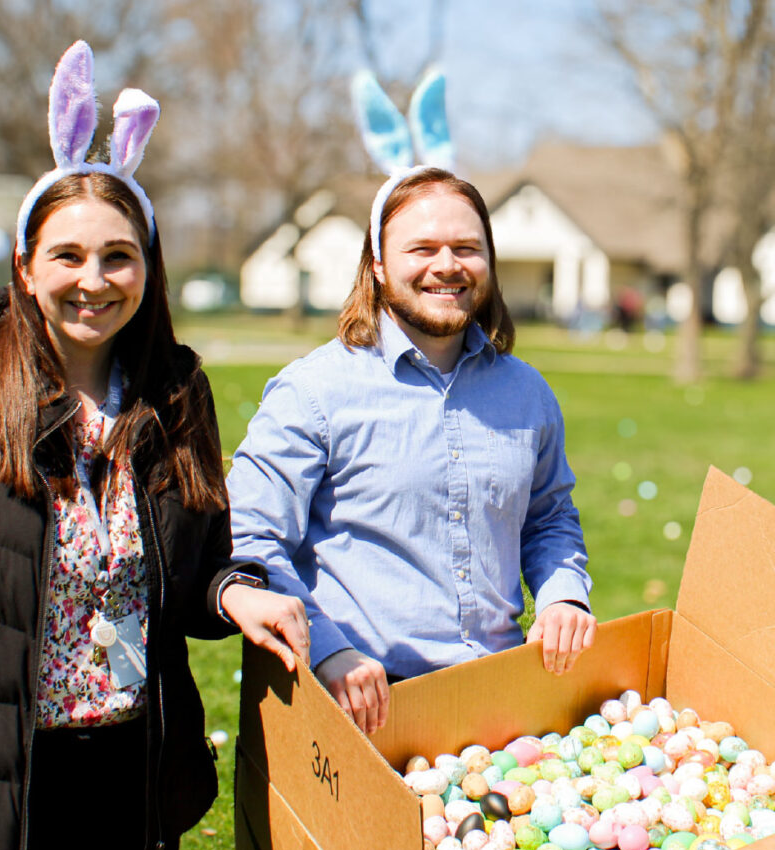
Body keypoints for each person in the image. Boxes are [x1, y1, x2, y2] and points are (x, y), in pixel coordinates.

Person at [0, 41, 309, 850]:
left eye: (118, 256)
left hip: (126, 781)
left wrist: (236, 594)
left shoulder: (174, 396)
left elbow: (194, 564)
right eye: (68, 256)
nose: (94, 280)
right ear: (24, 266)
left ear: (148, 267)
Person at [227, 165, 595, 737]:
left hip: (506, 700)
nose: (447, 265)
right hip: (362, 705)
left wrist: (563, 597)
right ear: (377, 263)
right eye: (422, 247)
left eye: (467, 248)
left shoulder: (528, 394)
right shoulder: (313, 391)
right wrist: (326, 650)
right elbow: (250, 538)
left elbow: (548, 519)